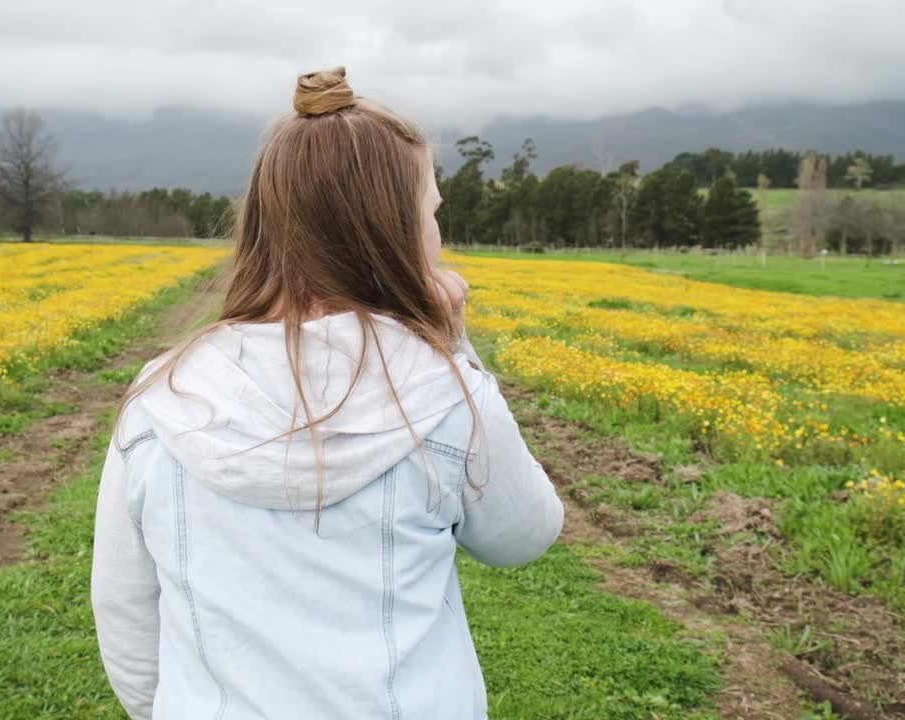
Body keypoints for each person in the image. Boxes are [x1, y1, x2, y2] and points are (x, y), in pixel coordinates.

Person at [91, 66, 563, 720]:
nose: (439, 234)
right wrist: (453, 347)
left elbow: (126, 613)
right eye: (432, 212)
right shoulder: (444, 391)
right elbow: (524, 535)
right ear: (392, 231)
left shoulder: (160, 395)